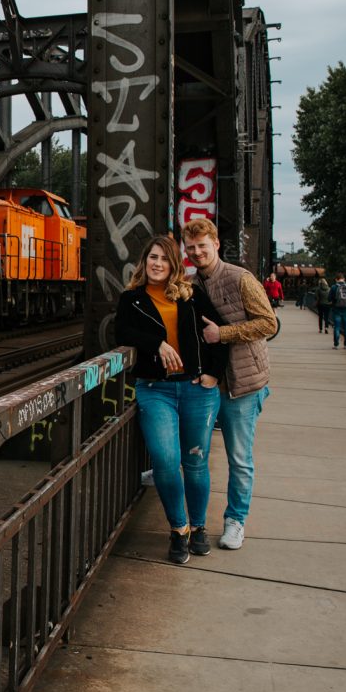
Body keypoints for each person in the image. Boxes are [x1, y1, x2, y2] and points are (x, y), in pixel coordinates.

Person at [115, 235, 228, 564]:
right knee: (165, 461)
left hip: (197, 390)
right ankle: (179, 530)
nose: (157, 264)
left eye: (164, 259)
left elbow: (219, 332)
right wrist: (157, 344)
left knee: (194, 463)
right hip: (156, 390)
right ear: (144, 261)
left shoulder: (191, 296)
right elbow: (121, 333)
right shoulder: (132, 299)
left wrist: (213, 374)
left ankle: (199, 527)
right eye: (152, 257)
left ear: (174, 265)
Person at [181, 218, 278, 550]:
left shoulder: (241, 279)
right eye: (191, 248)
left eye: (202, 246)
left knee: (239, 457)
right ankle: (169, 467)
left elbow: (269, 323)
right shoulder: (192, 284)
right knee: (195, 450)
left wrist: (222, 333)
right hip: (210, 381)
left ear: (216, 244)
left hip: (243, 384)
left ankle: (235, 521)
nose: (197, 253)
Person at [328, 272, 346, 350]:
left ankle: (336, 344)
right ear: (344, 279)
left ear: (336, 279)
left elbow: (329, 298)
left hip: (336, 309)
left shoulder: (334, 287)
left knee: (337, 327)